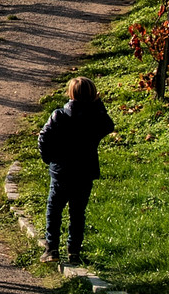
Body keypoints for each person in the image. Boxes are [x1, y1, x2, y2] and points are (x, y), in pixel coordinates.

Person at [36, 76, 116, 264]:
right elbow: (109, 126)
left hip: (61, 171)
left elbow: (43, 138)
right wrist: (98, 105)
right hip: (84, 172)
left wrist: (49, 159)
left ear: (70, 94)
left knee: (54, 209)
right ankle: (74, 251)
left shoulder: (59, 116)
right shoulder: (95, 119)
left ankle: (52, 248)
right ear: (93, 95)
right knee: (78, 213)